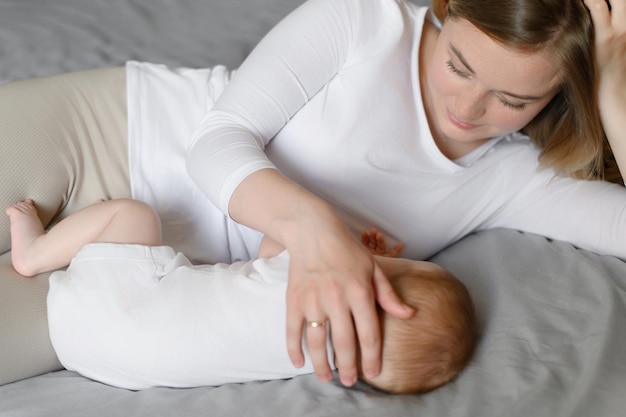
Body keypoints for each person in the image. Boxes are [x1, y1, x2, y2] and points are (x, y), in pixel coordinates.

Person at [0, 0, 624, 388]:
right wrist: (316, 232)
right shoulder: (364, 23)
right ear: (447, 9)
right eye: (459, 64)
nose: (466, 107)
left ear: (559, 93)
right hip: (101, 130)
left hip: (145, 279)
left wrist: (613, 87)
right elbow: (217, 140)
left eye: (512, 101)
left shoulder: (511, 176)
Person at [5, 198, 477, 394]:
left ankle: (35, 251)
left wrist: (340, 248)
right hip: (97, 360)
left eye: (400, 264)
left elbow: (272, 245)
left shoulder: (310, 283)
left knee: (136, 215)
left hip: (105, 306)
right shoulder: (314, 361)